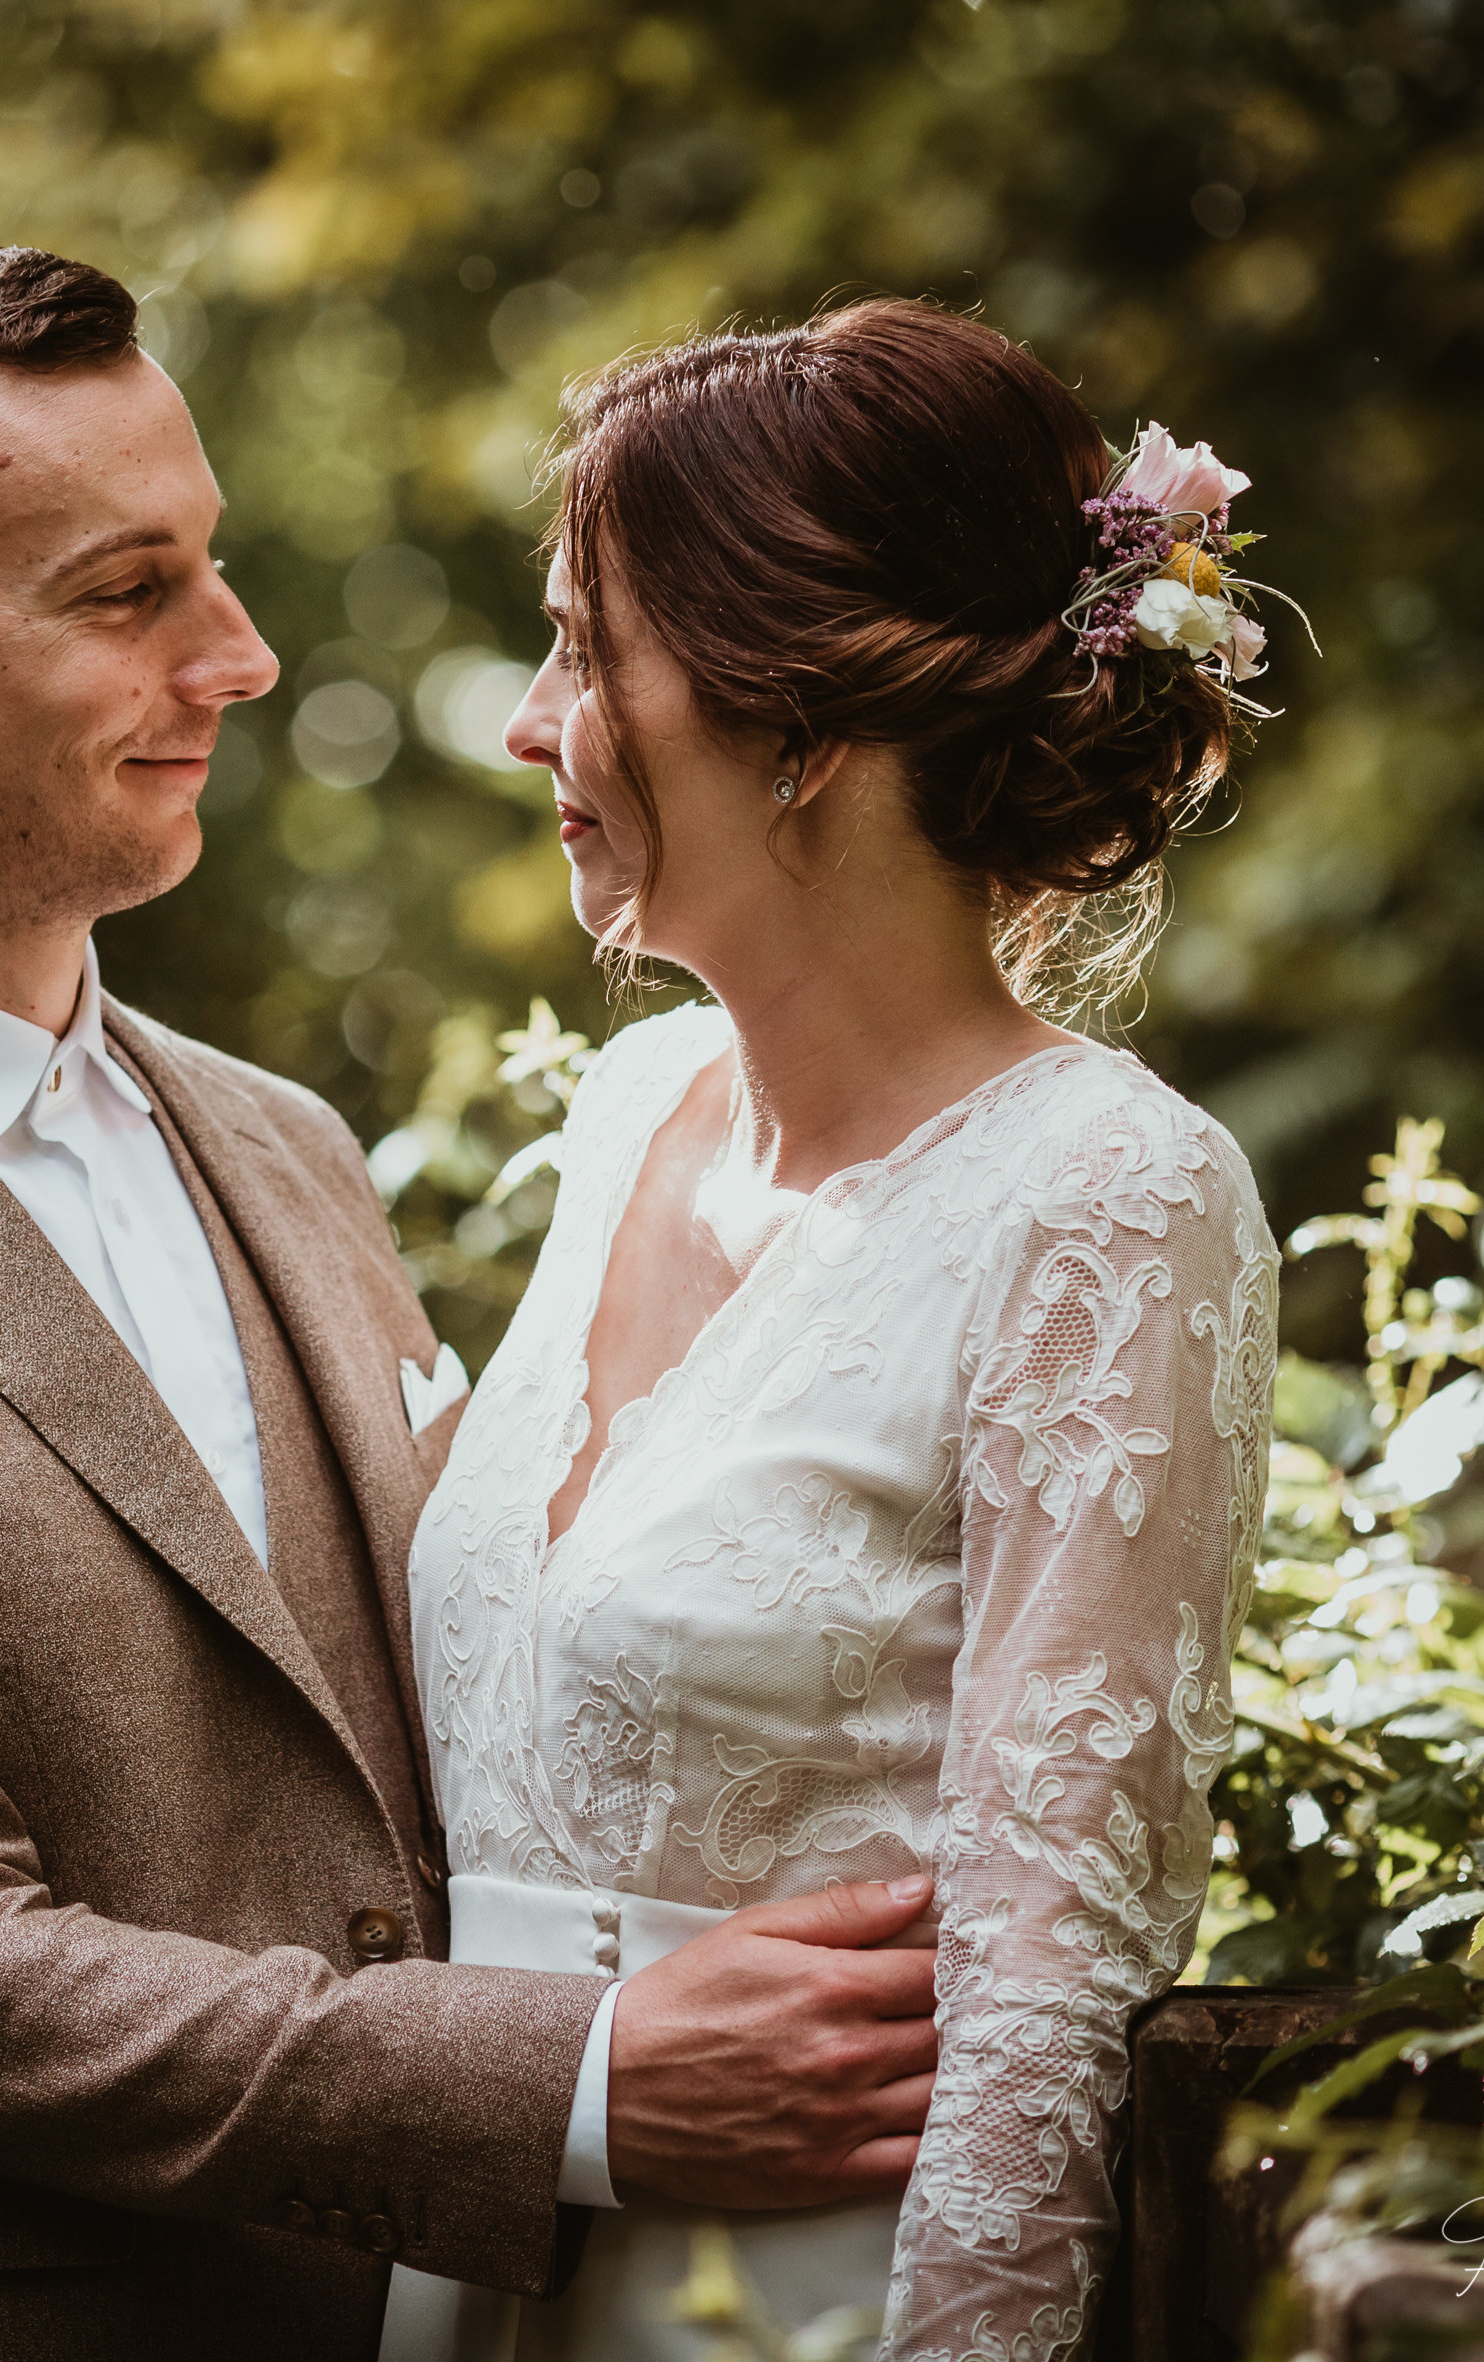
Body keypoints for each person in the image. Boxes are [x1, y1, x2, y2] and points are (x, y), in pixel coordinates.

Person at [0, 237, 944, 2360]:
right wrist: (587, 2082)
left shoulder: (282, 1146)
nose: (231, 655)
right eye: (121, 593)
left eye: (206, 568)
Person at [382, 301, 1281, 2362]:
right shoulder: (620, 1118)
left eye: (584, 650)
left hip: (793, 2300)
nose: (530, 721)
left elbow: (1048, 1982)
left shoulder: (1106, 1196)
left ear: (801, 717)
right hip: (478, 2253)